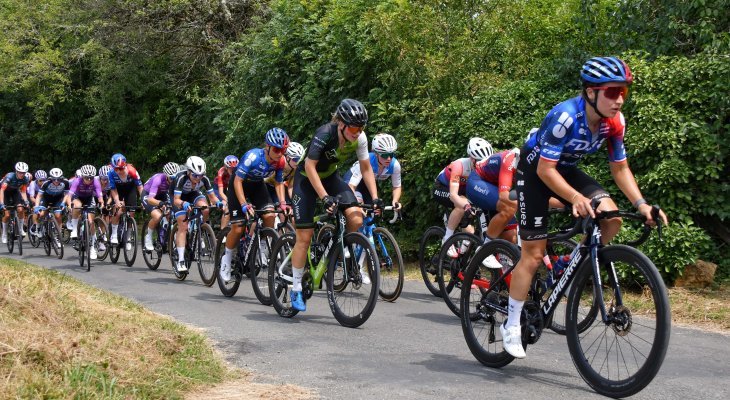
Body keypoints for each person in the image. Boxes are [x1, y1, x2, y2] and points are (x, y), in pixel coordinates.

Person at [502, 56, 668, 359]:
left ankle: (569, 264)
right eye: (612, 92)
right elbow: (545, 171)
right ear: (591, 92)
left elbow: (620, 169)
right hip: (535, 172)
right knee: (534, 254)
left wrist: (642, 204)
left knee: (611, 218)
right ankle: (511, 323)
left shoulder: (614, 123)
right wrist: (576, 198)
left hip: (564, 171)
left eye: (623, 93)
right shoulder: (566, 117)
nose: (619, 100)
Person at [289, 98, 382, 311]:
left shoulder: (360, 139)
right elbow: (310, 167)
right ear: (341, 123)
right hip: (306, 179)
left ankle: (338, 249)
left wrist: (375, 197)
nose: (357, 132)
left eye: (361, 127)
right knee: (304, 236)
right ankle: (295, 288)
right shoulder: (325, 133)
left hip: (331, 176)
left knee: (356, 217)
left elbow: (366, 169)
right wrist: (324, 197)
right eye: (353, 127)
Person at [219, 128, 290, 283]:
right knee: (238, 227)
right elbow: (237, 181)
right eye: (277, 149)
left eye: (283, 150)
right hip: (239, 185)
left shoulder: (281, 161)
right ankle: (226, 258)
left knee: (270, 214)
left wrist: (283, 203)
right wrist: (244, 203)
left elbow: (278, 182)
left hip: (257, 185)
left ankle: (262, 245)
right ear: (268, 146)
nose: (280, 154)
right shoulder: (253, 157)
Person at [432, 138, 493, 256]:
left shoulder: (486, 169)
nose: (482, 165)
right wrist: (465, 205)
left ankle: (460, 259)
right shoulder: (459, 165)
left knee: (470, 232)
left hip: (463, 190)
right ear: (472, 158)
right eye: (479, 161)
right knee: (461, 204)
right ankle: (447, 239)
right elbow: (454, 195)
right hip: (442, 187)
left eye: (486, 162)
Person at [170, 156, 222, 273]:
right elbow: (176, 200)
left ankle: (202, 228)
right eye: (195, 176)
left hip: (193, 194)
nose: (198, 179)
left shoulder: (204, 179)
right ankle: (181, 261)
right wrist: (183, 203)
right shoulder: (181, 178)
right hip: (178, 197)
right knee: (183, 226)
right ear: (188, 172)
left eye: (201, 175)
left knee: (205, 208)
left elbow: (212, 198)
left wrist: (218, 203)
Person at [66, 165, 104, 259]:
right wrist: (69, 205)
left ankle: (92, 247)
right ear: (82, 176)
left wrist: (101, 203)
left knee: (91, 222)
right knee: (77, 206)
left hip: (89, 198)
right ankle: (74, 229)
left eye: (91, 177)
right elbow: (69, 196)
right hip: (77, 197)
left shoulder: (95, 182)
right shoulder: (77, 181)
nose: (89, 179)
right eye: (87, 177)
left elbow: (100, 196)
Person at [107, 153, 144, 247]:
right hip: (118, 190)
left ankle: (127, 237)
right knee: (118, 211)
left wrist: (143, 200)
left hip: (130, 189)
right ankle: (114, 234)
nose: (118, 171)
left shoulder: (132, 171)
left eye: (121, 168)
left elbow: (140, 187)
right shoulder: (111, 173)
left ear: (125, 166)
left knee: (132, 212)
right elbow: (113, 189)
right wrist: (116, 201)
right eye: (116, 168)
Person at [141, 162, 179, 251]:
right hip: (148, 194)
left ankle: (165, 235)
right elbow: (150, 199)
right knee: (157, 216)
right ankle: (148, 237)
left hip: (163, 194)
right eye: (171, 178)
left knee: (171, 213)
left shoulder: (176, 181)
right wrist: (160, 203)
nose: (174, 180)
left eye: (175, 177)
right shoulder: (158, 179)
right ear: (166, 175)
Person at [33, 168, 69, 241]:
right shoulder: (46, 183)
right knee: (42, 214)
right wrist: (37, 206)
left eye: (58, 179)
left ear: (61, 178)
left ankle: (58, 235)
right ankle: (38, 227)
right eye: (54, 179)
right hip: (46, 199)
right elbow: (39, 196)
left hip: (57, 199)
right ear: (51, 178)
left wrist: (63, 203)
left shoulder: (65, 182)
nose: (56, 181)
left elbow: (67, 194)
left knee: (58, 216)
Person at [0, 162, 31, 242]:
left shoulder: (25, 179)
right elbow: (2, 190)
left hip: (15, 192)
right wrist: (2, 203)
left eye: (24, 173)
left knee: (20, 209)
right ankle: (4, 234)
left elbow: (23, 191)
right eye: (20, 172)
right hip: (5, 192)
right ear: (16, 171)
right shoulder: (9, 176)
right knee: (7, 215)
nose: (22, 174)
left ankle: (20, 229)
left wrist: (26, 201)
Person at [215, 155, 239, 230]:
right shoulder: (221, 172)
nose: (233, 170)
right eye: (231, 168)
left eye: (234, 168)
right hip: (219, 188)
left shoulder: (238, 171)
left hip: (230, 187)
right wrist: (229, 200)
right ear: (226, 167)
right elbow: (221, 193)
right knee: (225, 206)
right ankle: (223, 231)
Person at [27, 170, 47, 237]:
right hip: (34, 198)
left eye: (44, 180)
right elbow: (31, 197)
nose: (42, 182)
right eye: (40, 180)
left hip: (43, 198)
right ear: (36, 180)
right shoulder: (32, 184)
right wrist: (38, 204)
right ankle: (35, 225)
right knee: (35, 209)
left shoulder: (46, 183)